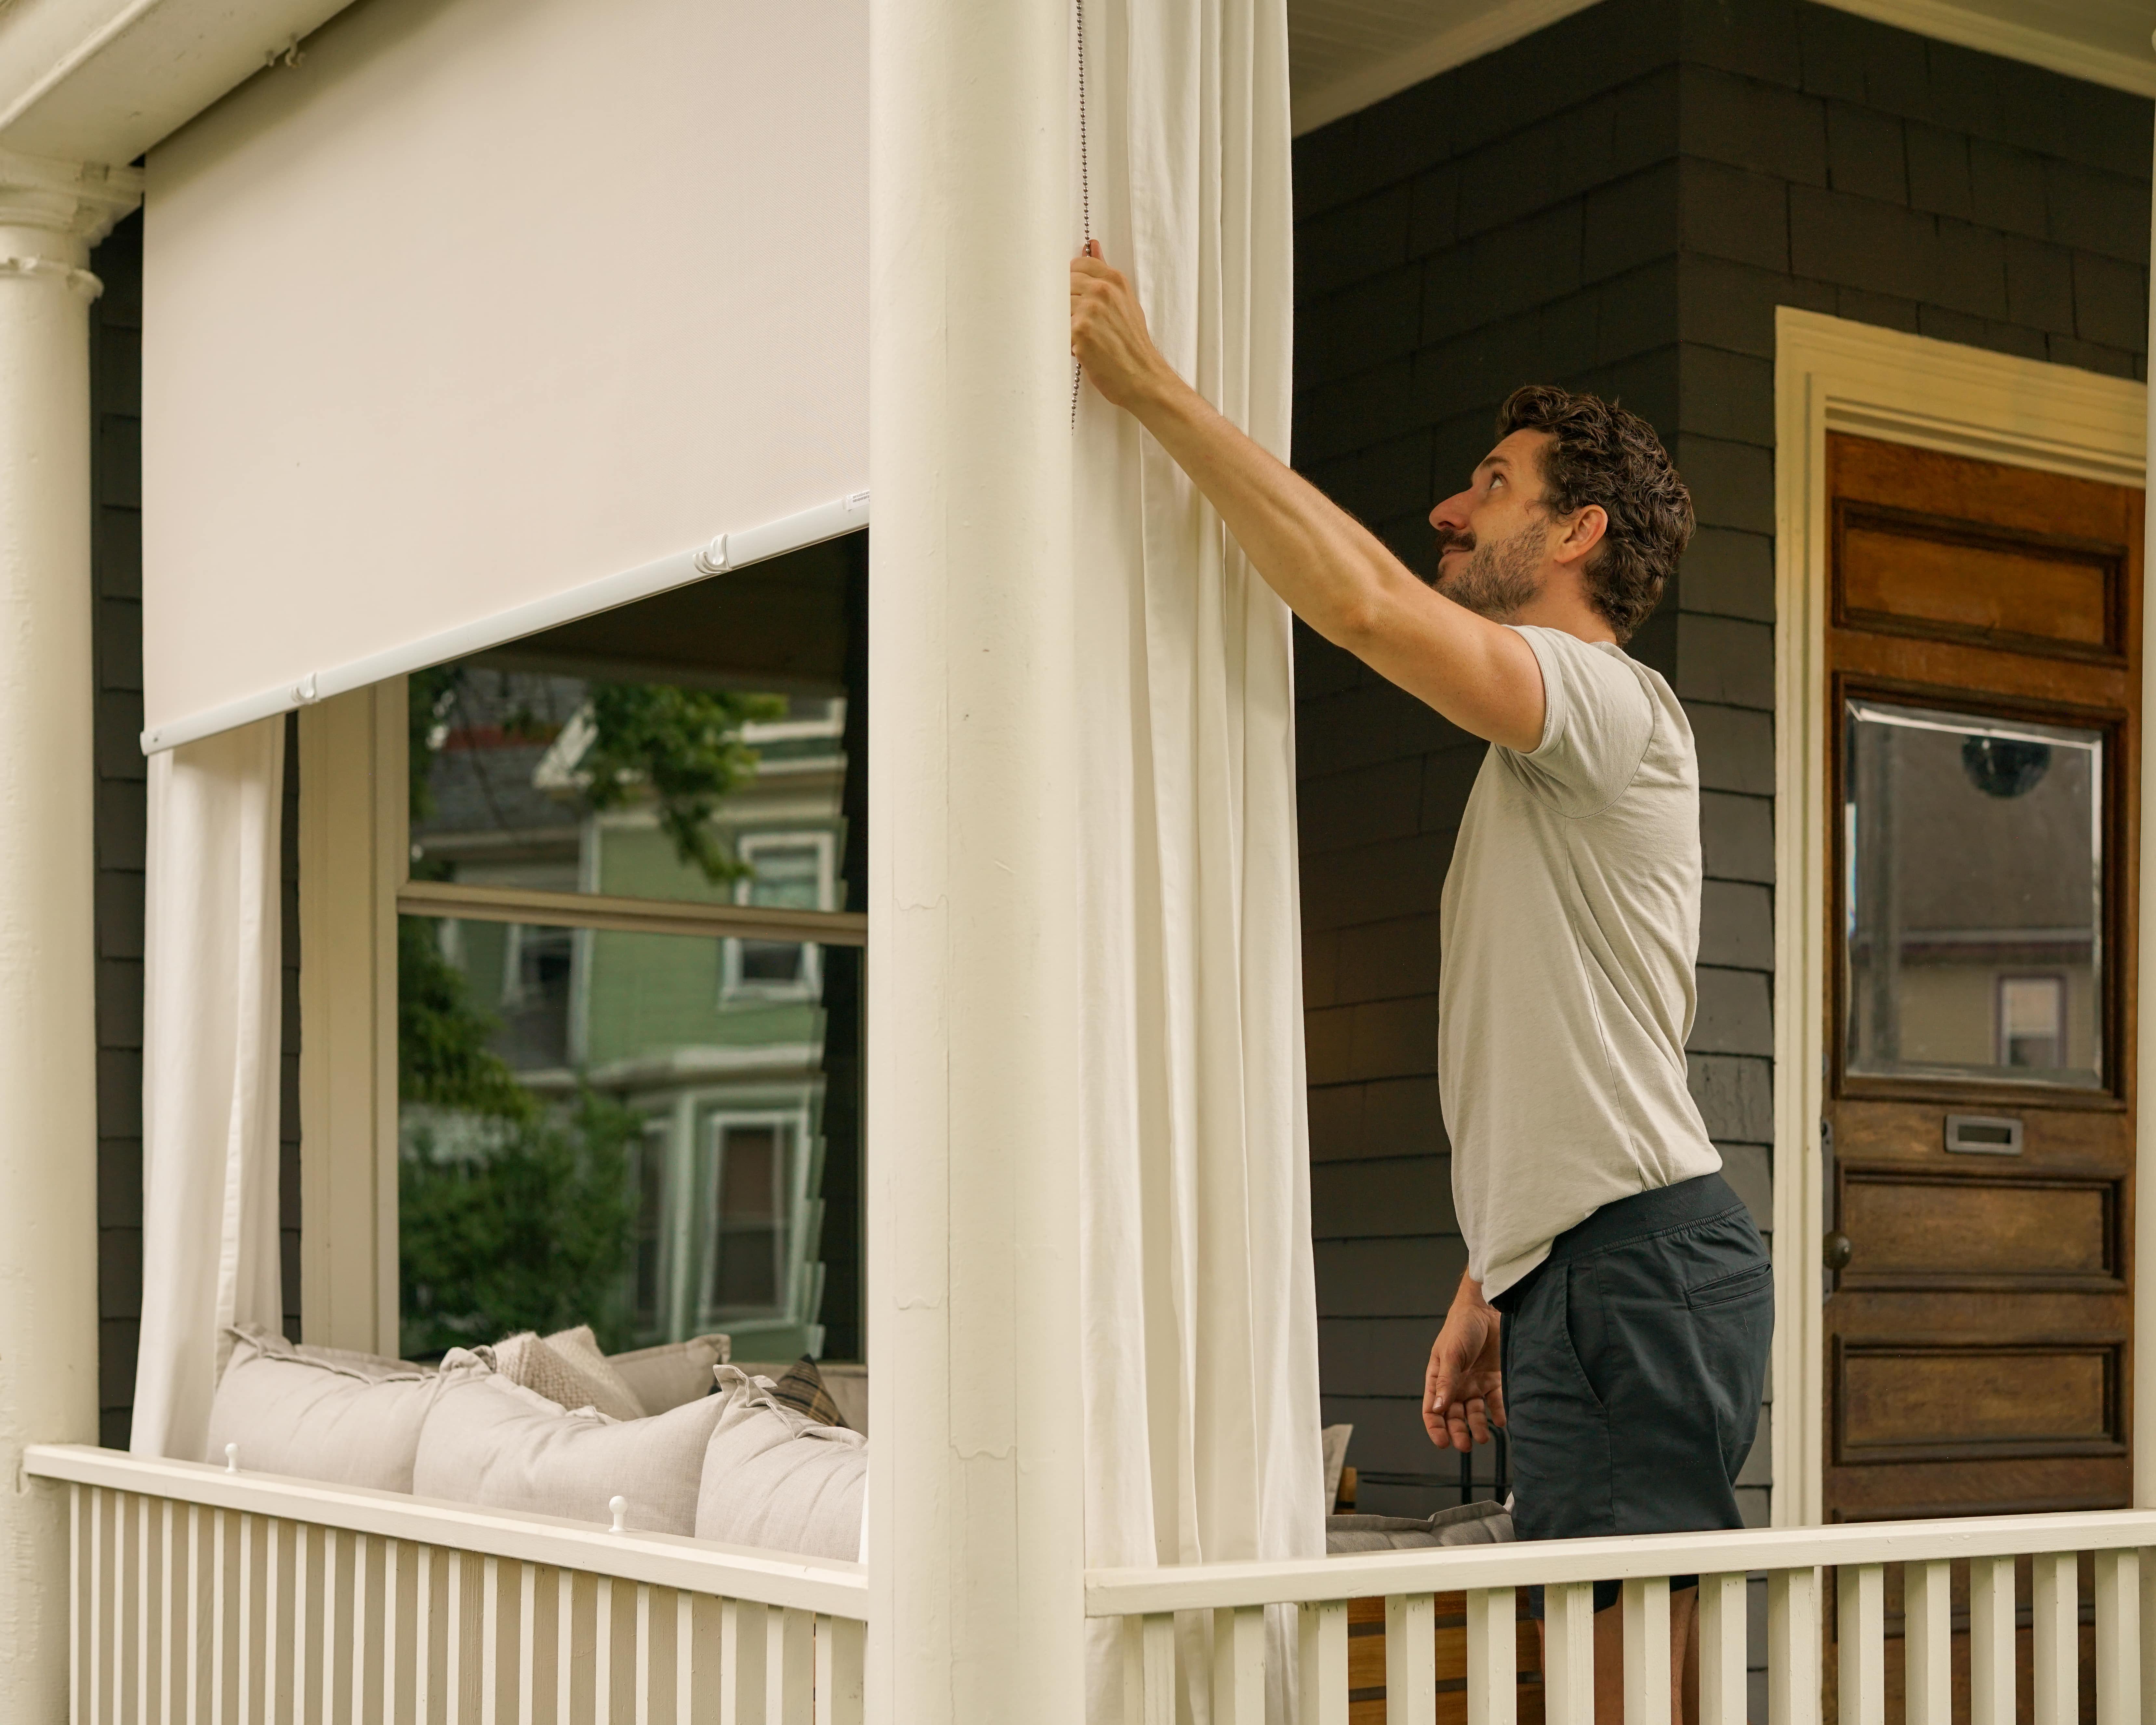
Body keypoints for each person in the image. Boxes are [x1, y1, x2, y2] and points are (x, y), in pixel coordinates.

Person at [1071, 242, 1772, 1724]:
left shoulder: (1601, 702)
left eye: (1492, 487)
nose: (1451, 509)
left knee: (1629, 1671)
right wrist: (1482, 1278)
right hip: (1582, 1265)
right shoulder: (1548, 770)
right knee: (1600, 1659)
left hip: (1632, 1267)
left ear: (1578, 530)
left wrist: (1149, 392)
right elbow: (1581, 1041)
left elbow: (1372, 611)